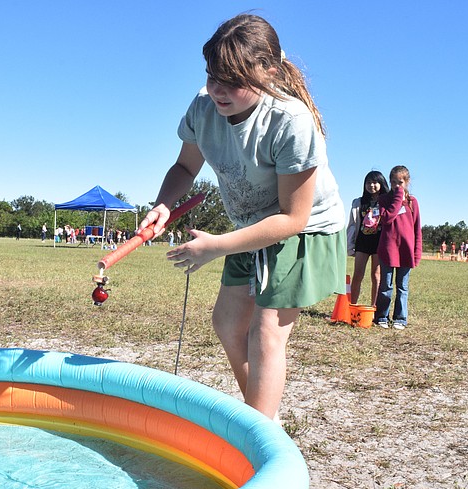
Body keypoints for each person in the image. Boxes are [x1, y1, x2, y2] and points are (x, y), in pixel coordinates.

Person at [138, 14, 345, 422]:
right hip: (253, 224)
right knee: (228, 324)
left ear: (269, 71)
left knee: (266, 333)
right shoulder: (204, 106)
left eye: (232, 80)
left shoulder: (291, 121)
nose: (217, 89)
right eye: (212, 75)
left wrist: (213, 246)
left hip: (303, 229)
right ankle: (261, 420)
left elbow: (292, 219)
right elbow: (184, 169)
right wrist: (164, 203)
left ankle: (257, 441)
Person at [374, 166, 422, 330]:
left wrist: (417, 253)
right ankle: (381, 316)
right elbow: (386, 219)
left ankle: (400, 318)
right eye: (393, 182)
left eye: (400, 182)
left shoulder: (413, 202)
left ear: (407, 182)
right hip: (387, 250)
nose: (396, 185)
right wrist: (397, 198)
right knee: (386, 286)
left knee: (403, 287)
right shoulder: (384, 200)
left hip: (405, 251)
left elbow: (417, 229)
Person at [346, 171, 388, 305]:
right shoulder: (359, 202)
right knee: (358, 275)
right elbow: (352, 225)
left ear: (381, 183)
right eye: (368, 182)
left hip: (379, 243)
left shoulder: (386, 202)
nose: (371, 185)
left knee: (376, 276)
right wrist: (350, 243)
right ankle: (351, 306)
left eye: (375, 182)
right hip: (362, 243)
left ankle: (374, 308)